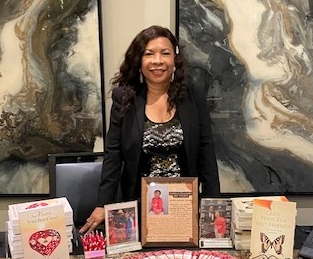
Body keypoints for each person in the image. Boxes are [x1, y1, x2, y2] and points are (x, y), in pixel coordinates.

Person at [80, 25, 220, 234]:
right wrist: (102, 204)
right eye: (149, 54)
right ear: (139, 60)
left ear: (175, 59)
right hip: (138, 209)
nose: (157, 60)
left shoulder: (193, 95)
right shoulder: (124, 98)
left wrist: (213, 203)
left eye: (165, 53)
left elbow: (205, 150)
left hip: (184, 206)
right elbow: (113, 156)